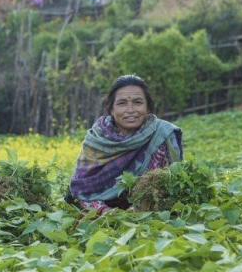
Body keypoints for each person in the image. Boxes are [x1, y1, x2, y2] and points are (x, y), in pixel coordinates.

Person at [68, 75, 183, 213]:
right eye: (122, 103)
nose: (130, 109)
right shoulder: (96, 140)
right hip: (99, 218)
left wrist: (140, 209)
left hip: (149, 214)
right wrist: (105, 212)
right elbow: (81, 189)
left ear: (148, 107)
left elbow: (171, 184)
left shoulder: (163, 134)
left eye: (138, 102)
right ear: (111, 109)